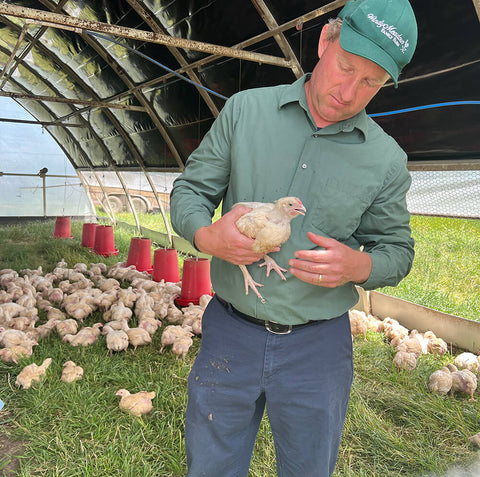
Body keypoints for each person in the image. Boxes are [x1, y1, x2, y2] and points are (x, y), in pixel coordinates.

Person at [170, 0, 418, 475]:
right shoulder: (245, 111)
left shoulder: (385, 160)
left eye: (371, 82)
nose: (349, 92)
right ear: (325, 41)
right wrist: (206, 236)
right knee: (212, 465)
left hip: (318, 349)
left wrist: (360, 266)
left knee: (308, 468)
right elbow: (191, 191)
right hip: (230, 332)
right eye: (346, 67)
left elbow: (398, 251)